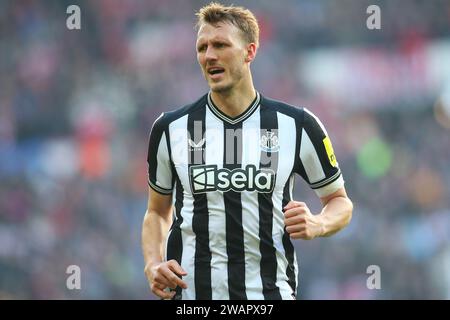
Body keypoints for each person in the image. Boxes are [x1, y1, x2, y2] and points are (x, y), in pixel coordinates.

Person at [142, 2, 353, 300]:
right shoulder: (170, 128)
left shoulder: (298, 125)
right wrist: (152, 263)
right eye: (202, 47)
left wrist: (319, 223)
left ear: (250, 52)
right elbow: (156, 211)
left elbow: (340, 203)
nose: (209, 55)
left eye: (220, 45)